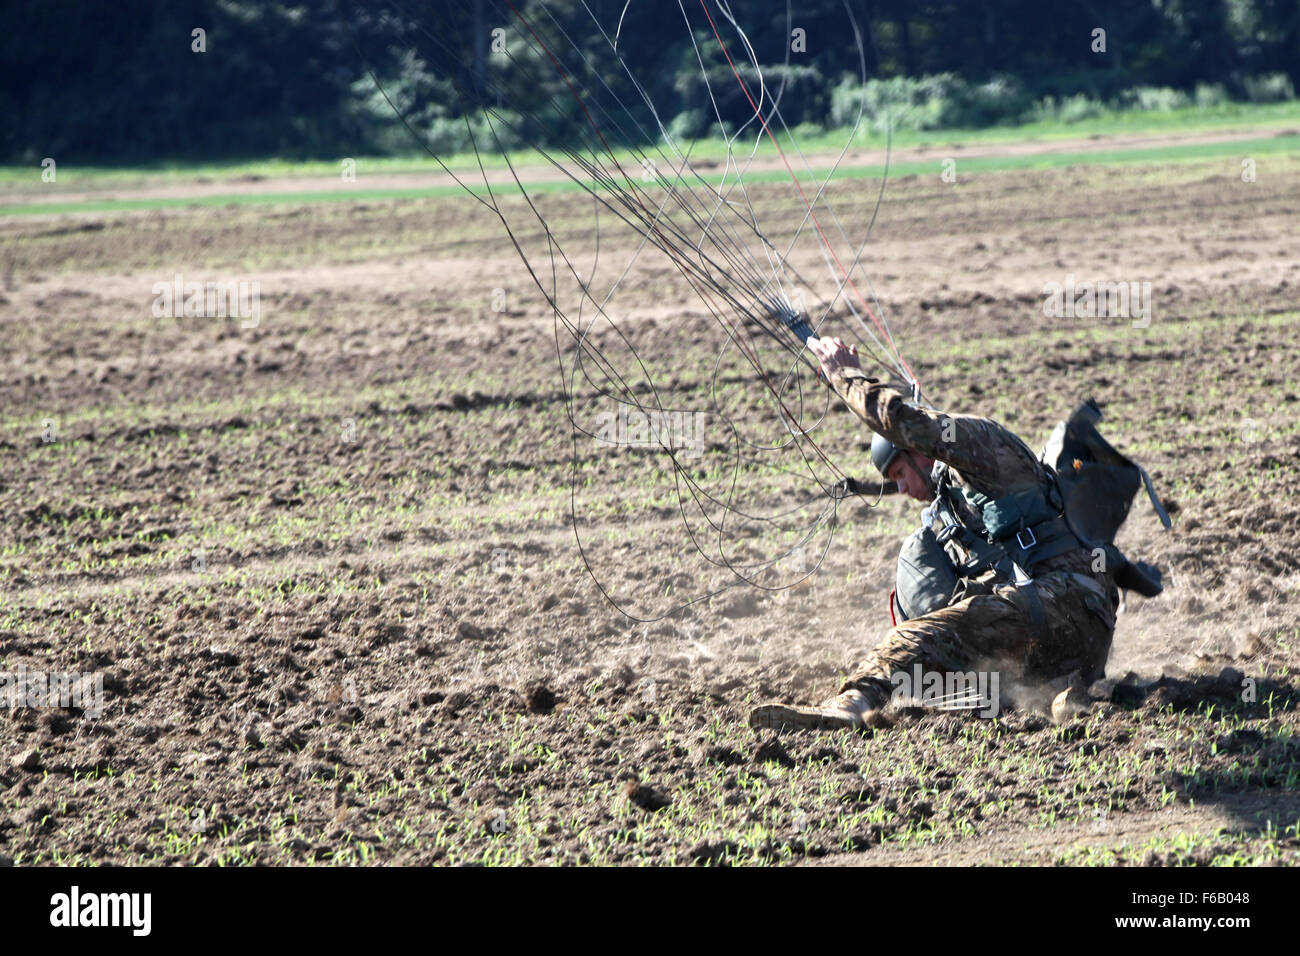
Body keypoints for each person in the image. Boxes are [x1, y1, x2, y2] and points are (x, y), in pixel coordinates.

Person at [750, 336, 1134, 732]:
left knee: (908, 641)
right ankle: (1056, 698)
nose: (900, 489)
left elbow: (905, 421)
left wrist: (844, 375)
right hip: (1073, 642)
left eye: (899, 473)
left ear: (921, 451)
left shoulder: (981, 445)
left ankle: (851, 703)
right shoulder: (953, 515)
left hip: (1064, 603)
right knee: (945, 665)